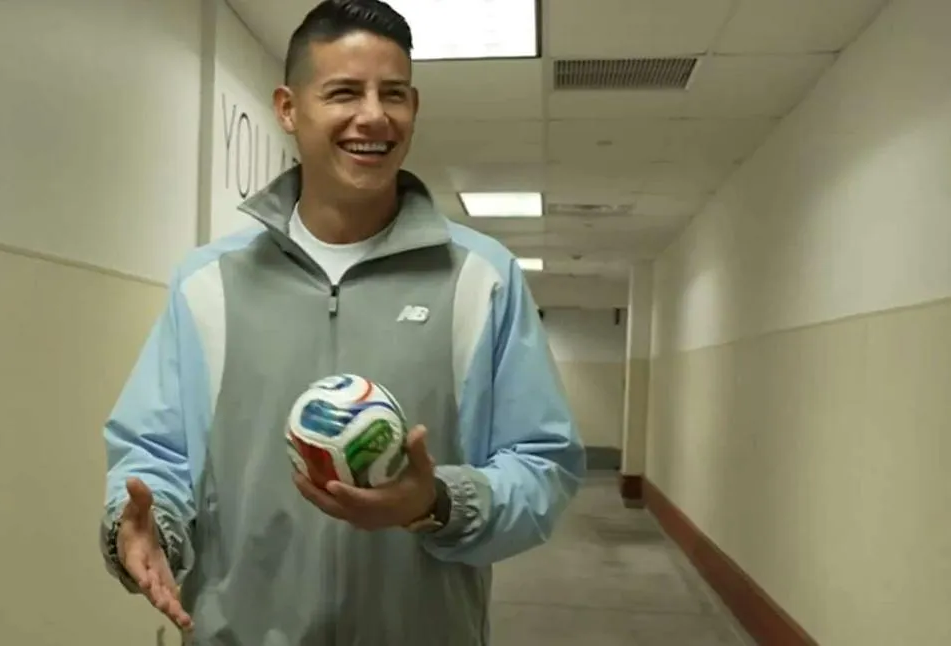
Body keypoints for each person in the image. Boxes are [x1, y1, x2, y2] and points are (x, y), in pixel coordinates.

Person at [98, 0, 585, 643]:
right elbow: (157, 453)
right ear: (289, 109)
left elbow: (543, 464)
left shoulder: (481, 280)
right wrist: (145, 527)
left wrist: (436, 502)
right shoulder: (208, 285)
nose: (375, 116)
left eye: (396, 94)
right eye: (344, 92)